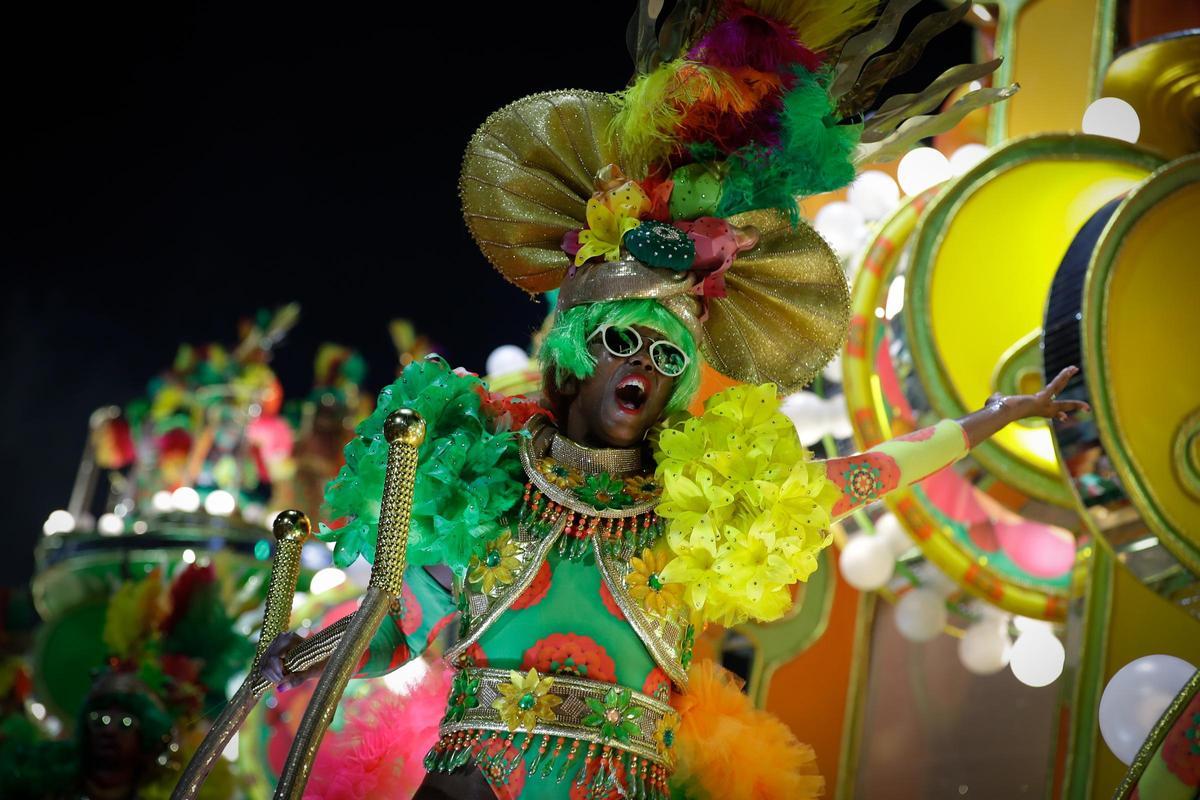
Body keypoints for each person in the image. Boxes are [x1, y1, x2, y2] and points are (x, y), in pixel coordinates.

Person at [263, 2, 1083, 797]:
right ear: (577, 358)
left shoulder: (697, 510)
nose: (645, 367)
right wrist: (297, 652)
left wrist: (989, 422)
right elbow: (388, 631)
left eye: (666, 356)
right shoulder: (484, 487)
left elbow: (864, 477)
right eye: (624, 342)